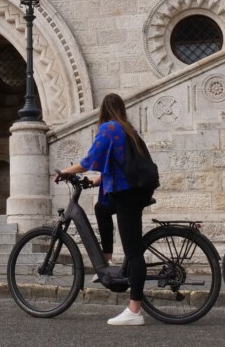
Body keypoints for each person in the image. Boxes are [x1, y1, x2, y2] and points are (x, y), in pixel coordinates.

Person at [57, 93, 155, 326]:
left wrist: (65, 171)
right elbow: (122, 166)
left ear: (104, 110)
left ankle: (135, 310)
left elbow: (91, 160)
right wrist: (95, 181)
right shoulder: (128, 129)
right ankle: (106, 259)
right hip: (132, 190)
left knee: (133, 252)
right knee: (102, 208)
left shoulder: (110, 128)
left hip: (127, 195)